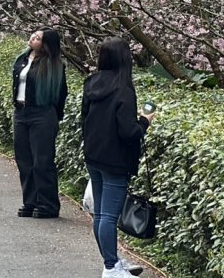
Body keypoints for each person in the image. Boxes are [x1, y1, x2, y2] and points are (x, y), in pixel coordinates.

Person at [83, 37, 153, 278]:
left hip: (94, 154)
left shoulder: (91, 82)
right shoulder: (123, 88)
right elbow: (128, 131)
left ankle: (111, 261)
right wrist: (144, 121)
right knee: (109, 216)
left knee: (101, 214)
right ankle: (111, 267)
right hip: (115, 158)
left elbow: (85, 118)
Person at [12, 28, 69, 218]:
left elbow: (61, 94)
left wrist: (54, 116)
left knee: (42, 161)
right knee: (24, 160)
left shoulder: (53, 65)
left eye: (38, 38)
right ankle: (30, 201)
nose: (32, 39)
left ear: (46, 45)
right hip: (21, 112)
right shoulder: (22, 59)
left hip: (42, 113)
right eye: (33, 35)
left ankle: (48, 204)